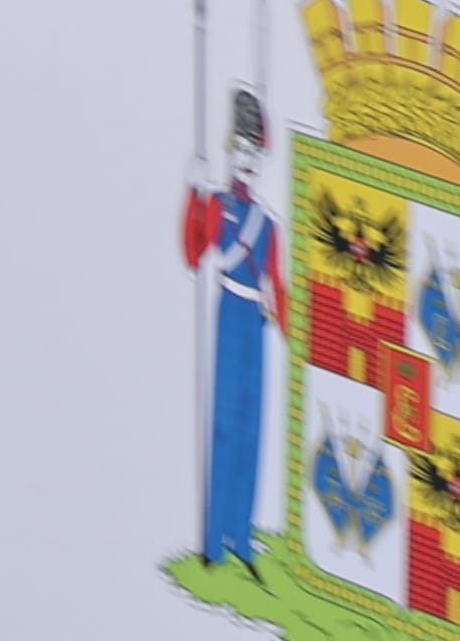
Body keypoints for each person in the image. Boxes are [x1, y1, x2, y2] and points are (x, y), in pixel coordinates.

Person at [179, 88, 285, 573]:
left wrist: (295, 334)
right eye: (242, 148)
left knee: (251, 425)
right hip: (229, 314)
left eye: (254, 152)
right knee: (224, 427)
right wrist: (193, 195)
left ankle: (241, 536)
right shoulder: (218, 205)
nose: (247, 159)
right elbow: (193, 253)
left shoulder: (269, 224)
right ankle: (214, 542)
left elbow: (277, 285)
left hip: (256, 325)